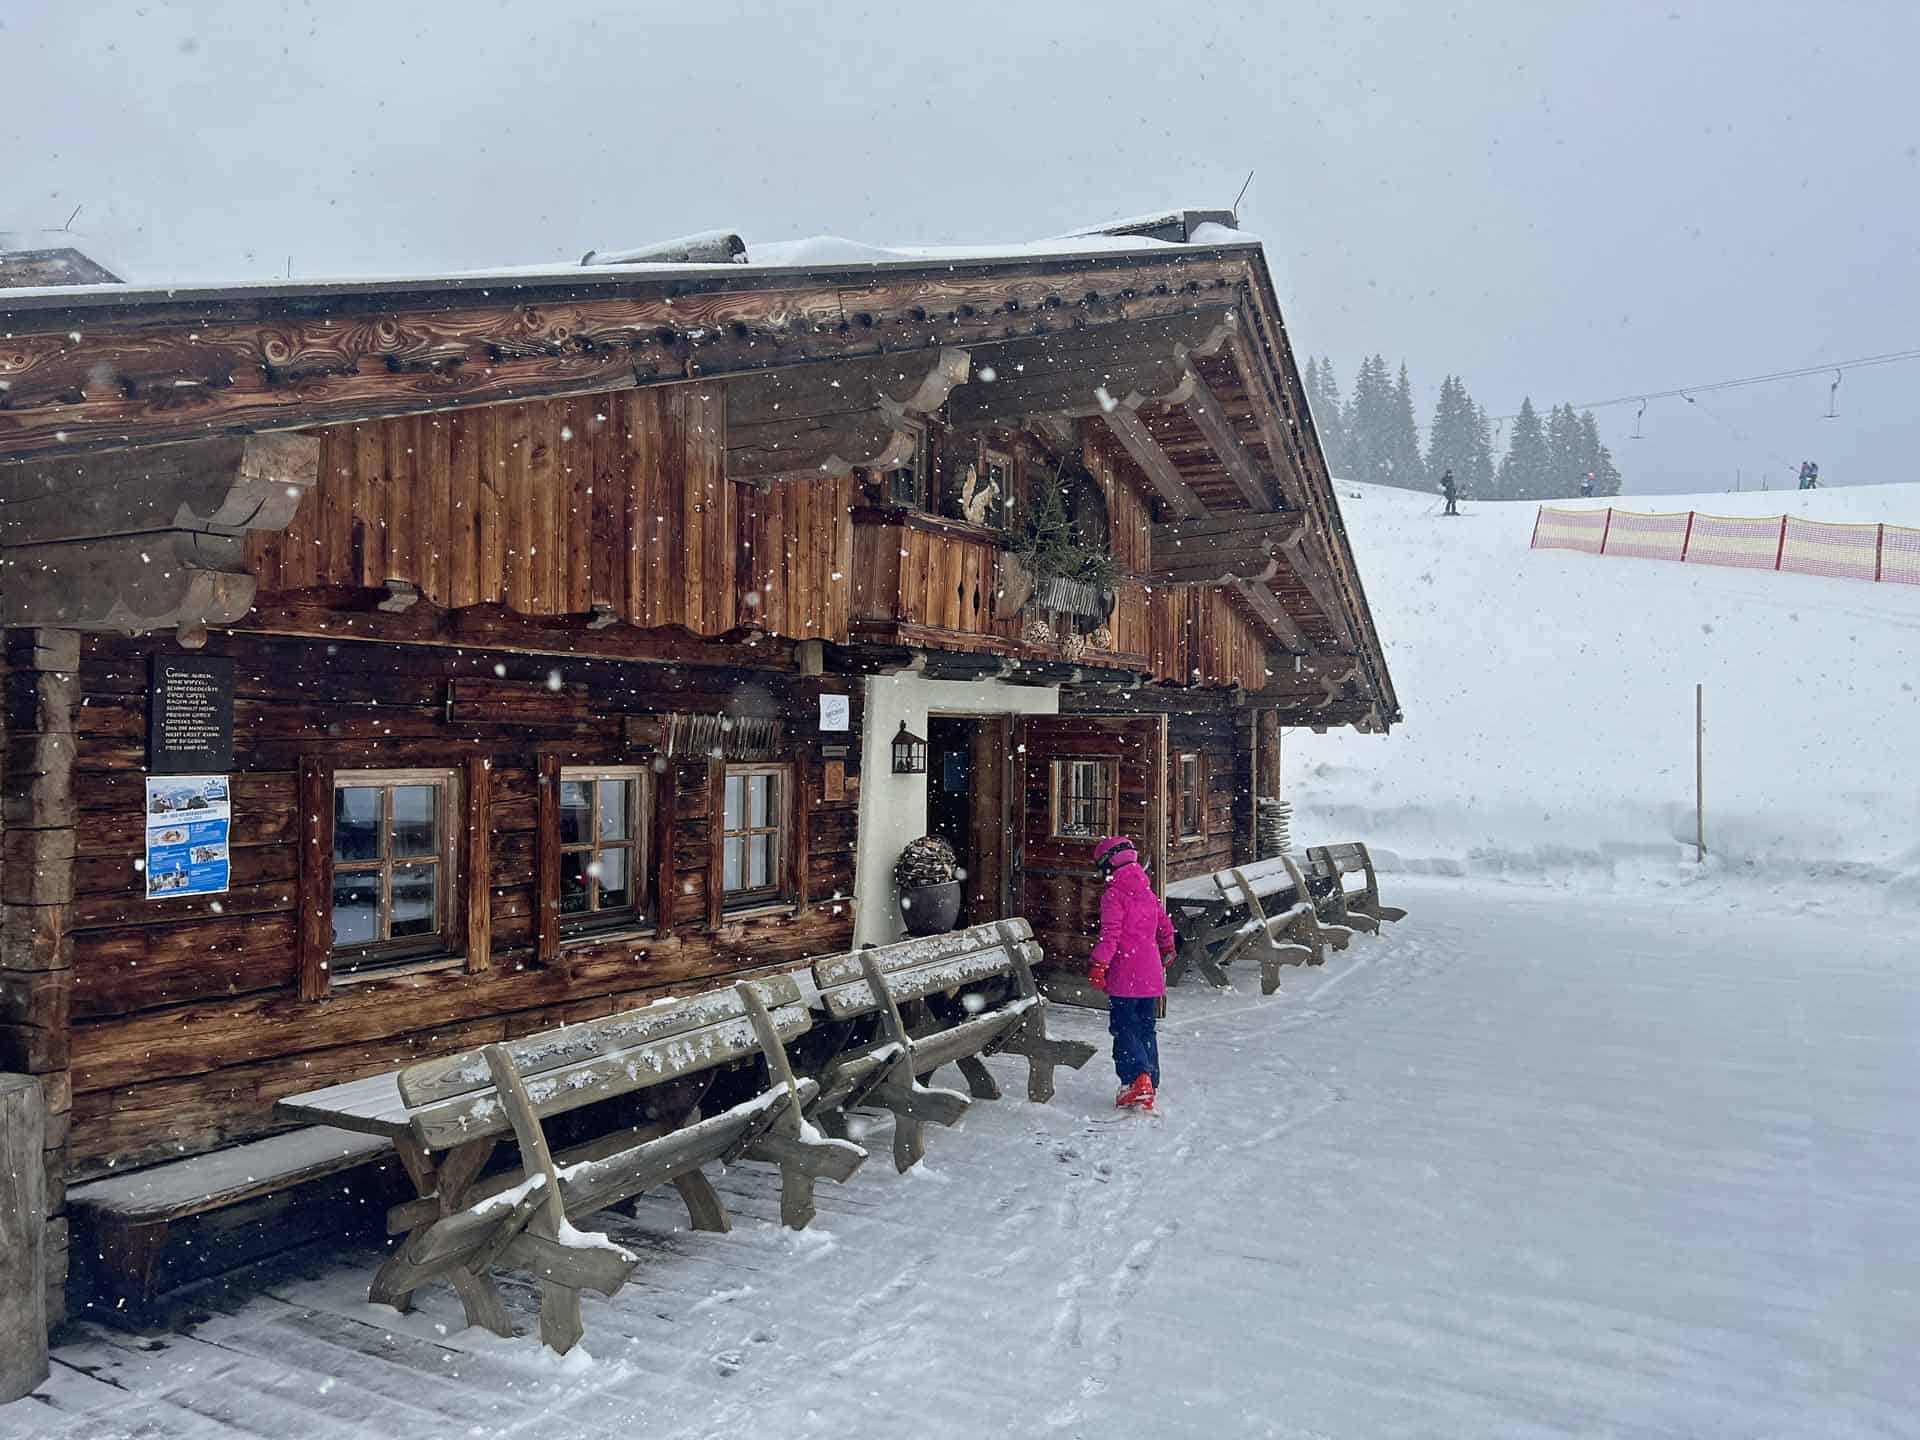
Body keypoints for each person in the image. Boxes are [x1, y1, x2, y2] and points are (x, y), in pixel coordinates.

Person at [1087, 835, 1175, 1111]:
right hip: (1150, 975)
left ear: (1108, 864)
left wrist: (1099, 965)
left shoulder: (1114, 896)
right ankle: (1150, 1078)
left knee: (1124, 1028)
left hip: (1125, 974)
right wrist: (1168, 948)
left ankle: (1136, 1080)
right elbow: (1164, 925)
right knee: (1146, 1027)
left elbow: (1110, 936)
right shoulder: (1147, 892)